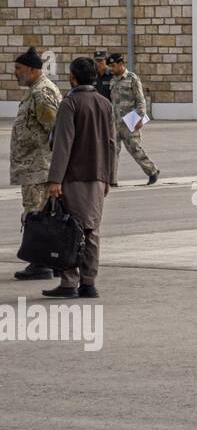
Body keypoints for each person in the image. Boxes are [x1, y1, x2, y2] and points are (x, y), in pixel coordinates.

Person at [43, 56, 115, 299]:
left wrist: (55, 180)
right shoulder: (105, 103)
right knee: (91, 230)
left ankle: (68, 282)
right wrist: (109, 178)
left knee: (70, 230)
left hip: (73, 176)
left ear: (72, 77)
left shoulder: (70, 103)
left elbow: (63, 144)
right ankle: (88, 282)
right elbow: (112, 144)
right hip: (98, 176)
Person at [11, 47, 62, 280]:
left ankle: (41, 263)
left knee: (37, 214)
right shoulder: (34, 91)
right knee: (35, 212)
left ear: (32, 70)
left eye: (19, 69)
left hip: (39, 168)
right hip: (33, 166)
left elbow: (56, 131)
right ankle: (41, 259)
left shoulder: (42, 93)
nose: (16, 73)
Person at [107, 52, 160, 187]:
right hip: (115, 122)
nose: (111, 69)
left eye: (113, 66)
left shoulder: (132, 79)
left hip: (129, 121)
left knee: (135, 149)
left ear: (121, 64)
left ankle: (152, 171)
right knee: (112, 151)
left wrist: (138, 120)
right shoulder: (113, 80)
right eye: (110, 66)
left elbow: (141, 102)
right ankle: (111, 180)